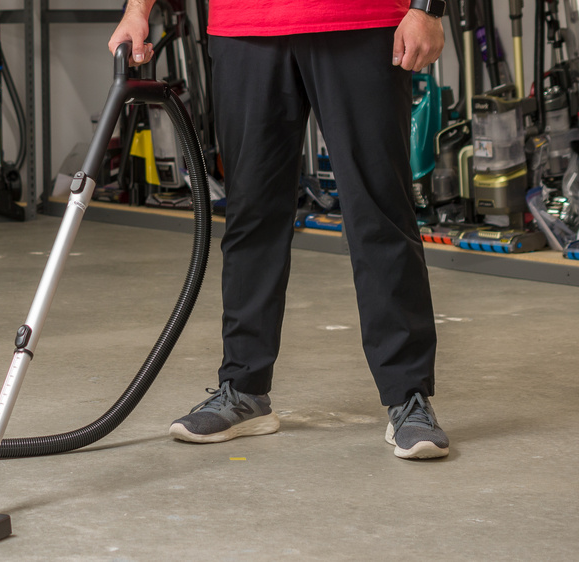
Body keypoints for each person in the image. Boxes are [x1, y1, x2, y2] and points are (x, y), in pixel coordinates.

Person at [109, 0, 450, 459]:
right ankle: (244, 389)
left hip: (359, 20)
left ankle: (408, 396)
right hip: (245, 27)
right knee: (252, 214)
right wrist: (137, 11)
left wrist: (428, 8)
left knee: (379, 211)